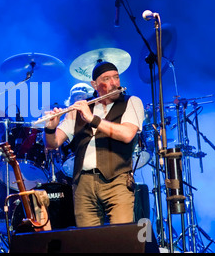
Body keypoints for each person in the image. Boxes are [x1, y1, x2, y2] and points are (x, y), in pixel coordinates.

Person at [44, 61, 144, 227]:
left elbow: (127, 134)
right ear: (95, 84)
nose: (114, 83)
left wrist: (92, 119)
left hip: (117, 181)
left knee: (121, 238)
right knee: (88, 241)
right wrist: (50, 128)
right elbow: (53, 143)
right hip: (83, 184)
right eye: (106, 79)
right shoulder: (81, 108)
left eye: (116, 77)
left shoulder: (131, 102)